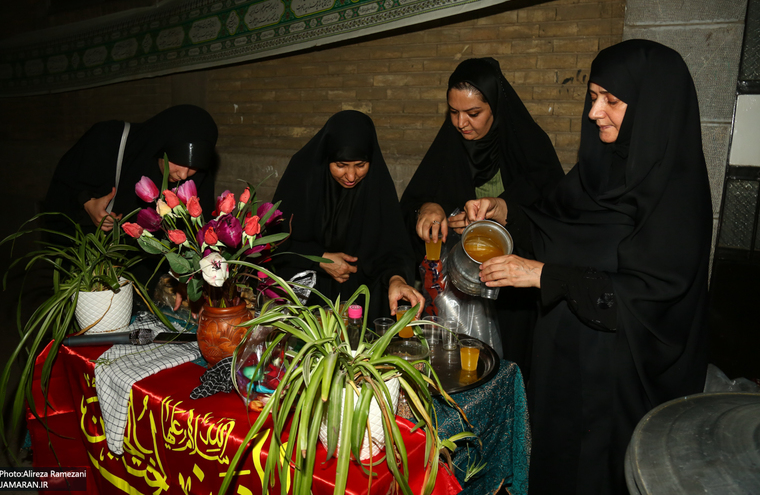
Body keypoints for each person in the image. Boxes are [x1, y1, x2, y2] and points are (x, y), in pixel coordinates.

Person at [463, 40, 712, 494]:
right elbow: (554, 226)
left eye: (611, 100)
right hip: (562, 366)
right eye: (593, 97)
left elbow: (649, 297)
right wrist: (504, 211)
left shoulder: (675, 195)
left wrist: (544, 275)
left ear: (652, 106)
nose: (595, 112)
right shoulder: (596, 170)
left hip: (617, 386)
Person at [400, 57, 564, 370]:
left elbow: (555, 218)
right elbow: (410, 209)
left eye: (473, 113)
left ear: (496, 107)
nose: (461, 123)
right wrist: (431, 209)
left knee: (506, 370)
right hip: (458, 300)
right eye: (453, 112)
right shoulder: (449, 149)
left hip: (515, 301)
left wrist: (502, 216)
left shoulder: (530, 148)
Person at [272, 110, 424, 318]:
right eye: (341, 165)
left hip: (360, 299)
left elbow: (393, 249)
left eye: (360, 165)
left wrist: (397, 279)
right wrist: (319, 258)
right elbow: (276, 242)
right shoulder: (303, 177)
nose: (351, 176)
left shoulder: (376, 185)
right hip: (309, 297)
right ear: (326, 158)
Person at [44, 104, 218, 235]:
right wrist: (88, 203)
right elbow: (65, 181)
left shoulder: (198, 178)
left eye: (194, 166)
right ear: (161, 144)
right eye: (178, 161)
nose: (183, 175)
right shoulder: (109, 139)